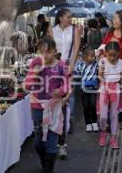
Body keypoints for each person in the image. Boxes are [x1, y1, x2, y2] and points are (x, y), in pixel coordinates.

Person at [24, 37, 70, 173]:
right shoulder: (35, 63)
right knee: (38, 142)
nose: (45, 55)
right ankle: (44, 162)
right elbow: (27, 86)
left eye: (48, 52)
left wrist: (61, 91)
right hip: (37, 106)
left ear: (55, 51)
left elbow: (67, 84)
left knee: (51, 140)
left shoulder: (62, 65)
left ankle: (48, 169)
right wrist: (35, 73)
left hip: (55, 107)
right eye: (41, 52)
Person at [97, 10, 122, 130]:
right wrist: (100, 52)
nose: (113, 21)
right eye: (113, 19)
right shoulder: (110, 33)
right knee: (109, 95)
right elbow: (104, 46)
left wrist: (118, 45)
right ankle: (109, 120)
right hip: (109, 70)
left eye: (116, 18)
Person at [51, 8, 82, 158]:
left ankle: (63, 139)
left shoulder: (74, 30)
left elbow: (77, 47)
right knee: (54, 100)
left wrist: (72, 63)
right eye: (68, 17)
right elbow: (49, 50)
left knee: (66, 98)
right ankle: (53, 139)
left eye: (71, 16)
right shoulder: (52, 31)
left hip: (68, 66)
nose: (70, 19)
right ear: (61, 18)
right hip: (54, 68)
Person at [98, 42, 122, 148]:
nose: (111, 57)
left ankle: (113, 138)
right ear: (106, 53)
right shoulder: (102, 61)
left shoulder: (121, 63)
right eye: (109, 55)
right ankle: (103, 132)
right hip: (104, 90)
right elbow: (100, 76)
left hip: (115, 90)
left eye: (114, 55)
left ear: (118, 53)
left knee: (114, 115)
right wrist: (105, 85)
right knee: (103, 116)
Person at [75, 47, 99, 132]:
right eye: (91, 56)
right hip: (83, 89)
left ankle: (94, 122)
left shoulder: (96, 64)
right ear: (85, 57)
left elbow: (100, 72)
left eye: (94, 56)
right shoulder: (80, 65)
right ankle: (88, 123)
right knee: (86, 107)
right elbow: (76, 75)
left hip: (93, 89)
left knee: (92, 105)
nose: (93, 57)